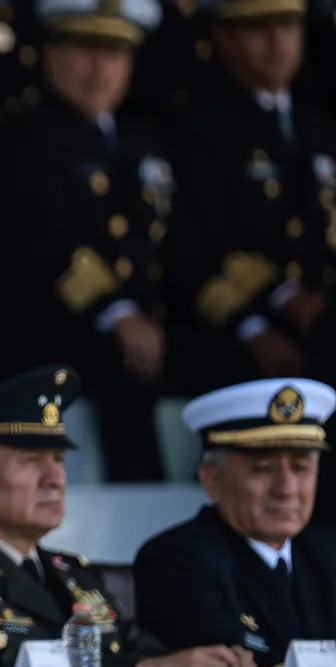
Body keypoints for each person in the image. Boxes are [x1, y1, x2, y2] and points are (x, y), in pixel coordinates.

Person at [0, 365, 258, 667]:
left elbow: (145, 651)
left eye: (57, 460)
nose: (55, 479)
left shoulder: (73, 572)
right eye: (31, 461)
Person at [0, 0, 171, 482]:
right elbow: (37, 244)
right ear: (50, 54)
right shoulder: (17, 135)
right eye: (87, 50)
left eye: (115, 53)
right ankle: (144, 496)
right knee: (123, 364)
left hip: (118, 327)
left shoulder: (139, 142)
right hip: (32, 327)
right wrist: (118, 312)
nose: (101, 69)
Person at [164, 0, 336, 394]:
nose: (278, 44)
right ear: (223, 37)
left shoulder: (318, 129)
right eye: (259, 30)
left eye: (289, 27)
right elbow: (192, 248)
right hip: (241, 329)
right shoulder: (199, 129)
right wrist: (257, 321)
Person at [134, 379, 336, 667]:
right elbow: (235, 664)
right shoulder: (174, 560)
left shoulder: (328, 552)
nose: (287, 489)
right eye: (263, 469)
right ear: (212, 481)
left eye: (300, 467)